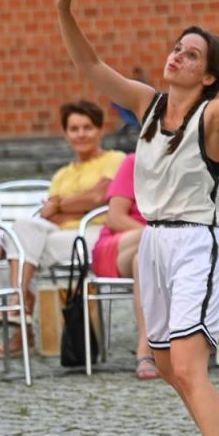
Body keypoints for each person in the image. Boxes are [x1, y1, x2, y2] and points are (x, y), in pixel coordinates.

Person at [54, 0, 219, 436]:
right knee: (171, 366)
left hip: (198, 239)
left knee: (191, 368)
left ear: (210, 74)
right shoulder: (147, 105)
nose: (177, 56)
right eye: (177, 47)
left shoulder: (214, 116)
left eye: (191, 54)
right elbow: (91, 67)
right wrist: (64, 10)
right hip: (154, 240)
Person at [0, 100, 124, 359]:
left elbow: (99, 198)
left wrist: (62, 205)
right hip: (62, 238)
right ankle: (19, 307)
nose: (81, 134)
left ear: (100, 130)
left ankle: (20, 318)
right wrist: (74, 207)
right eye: (74, 129)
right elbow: (50, 217)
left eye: (87, 127)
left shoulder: (114, 160)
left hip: (96, 235)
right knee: (23, 231)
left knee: (18, 250)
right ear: (66, 134)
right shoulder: (62, 174)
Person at [90, 153, 157, 379]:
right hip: (120, 243)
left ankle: (146, 348)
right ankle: (147, 348)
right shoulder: (135, 161)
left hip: (149, 253)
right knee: (158, 237)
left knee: (145, 258)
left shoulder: (189, 159)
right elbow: (115, 217)